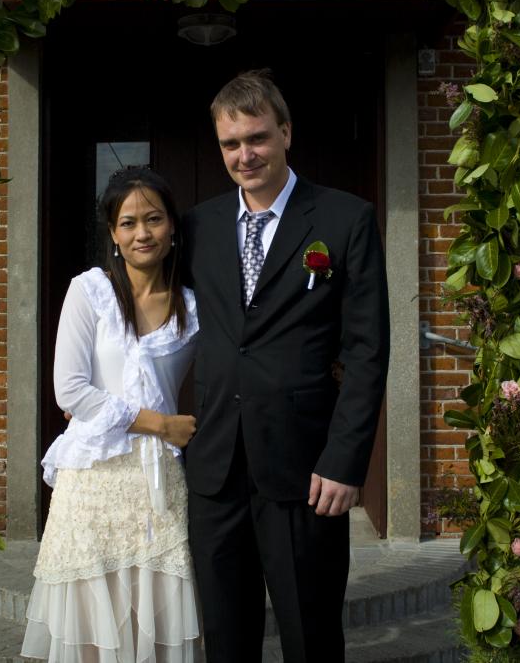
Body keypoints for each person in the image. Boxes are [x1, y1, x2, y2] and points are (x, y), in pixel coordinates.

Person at [182, 70, 391, 663]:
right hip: (216, 470)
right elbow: (149, 311)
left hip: (306, 471)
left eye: (257, 138)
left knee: (311, 636)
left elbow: (367, 350)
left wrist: (345, 460)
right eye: (230, 144)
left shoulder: (344, 219)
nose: (244, 155)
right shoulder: (198, 226)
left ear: (286, 133)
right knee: (226, 640)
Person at [22, 167, 202, 662]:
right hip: (92, 478)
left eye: (154, 219)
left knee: (155, 616)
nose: (142, 233)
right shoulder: (90, 291)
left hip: (157, 482)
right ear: (113, 234)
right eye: (128, 223)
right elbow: (70, 389)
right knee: (88, 621)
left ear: (172, 227)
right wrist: (160, 423)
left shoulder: (192, 308)